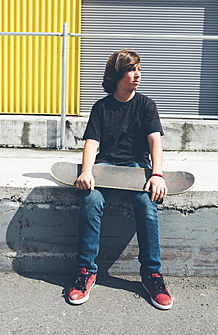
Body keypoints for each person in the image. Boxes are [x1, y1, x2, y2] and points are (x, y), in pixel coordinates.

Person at [68, 50, 173, 310]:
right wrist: (86, 171)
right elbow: (92, 142)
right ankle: (85, 271)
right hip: (106, 166)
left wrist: (157, 174)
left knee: (147, 205)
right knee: (90, 200)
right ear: (116, 74)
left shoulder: (146, 105)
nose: (137, 74)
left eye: (139, 68)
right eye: (131, 69)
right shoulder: (101, 107)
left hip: (138, 166)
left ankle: (152, 275)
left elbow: (154, 141)